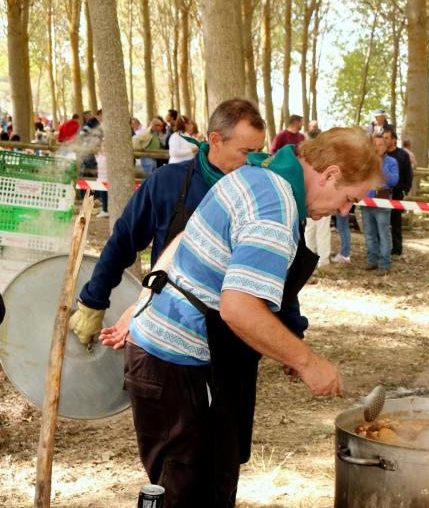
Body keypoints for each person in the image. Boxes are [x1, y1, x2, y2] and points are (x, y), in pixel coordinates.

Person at [111, 127, 380, 506]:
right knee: (186, 497)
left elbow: (187, 238)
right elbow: (238, 309)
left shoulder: (260, 176)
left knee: (208, 489)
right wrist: (307, 362)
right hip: (178, 367)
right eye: (348, 198)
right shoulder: (276, 206)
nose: (344, 211)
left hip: (181, 361)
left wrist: (286, 346)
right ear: (330, 174)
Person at [69, 99, 309, 349]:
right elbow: (122, 242)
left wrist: (292, 330)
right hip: (167, 331)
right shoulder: (168, 182)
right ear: (215, 140)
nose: (252, 161)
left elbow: (278, 266)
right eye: (245, 152)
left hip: (232, 340)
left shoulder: (261, 195)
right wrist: (93, 302)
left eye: (259, 151)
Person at [361, 131, 398, 275]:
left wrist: (380, 166)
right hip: (366, 201)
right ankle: (372, 261)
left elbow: (394, 181)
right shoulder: (366, 162)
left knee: (383, 233)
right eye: (374, 145)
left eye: (380, 144)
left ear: (386, 146)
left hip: (382, 202)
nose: (377, 147)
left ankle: (385, 263)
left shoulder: (391, 162)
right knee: (369, 233)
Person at [302, 124, 331, 267]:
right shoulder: (304, 157)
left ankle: (323, 260)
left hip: (324, 197)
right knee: (310, 228)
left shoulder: (328, 157)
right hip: (308, 197)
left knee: (322, 229)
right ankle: (308, 258)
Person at [384, 129, 413, 256]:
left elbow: (408, 174)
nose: (384, 140)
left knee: (396, 222)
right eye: (383, 138)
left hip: (396, 193)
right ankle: (383, 248)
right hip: (382, 193)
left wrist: (405, 189)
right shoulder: (382, 154)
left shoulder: (402, 155)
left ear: (394, 140)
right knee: (383, 222)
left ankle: (396, 249)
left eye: (387, 138)